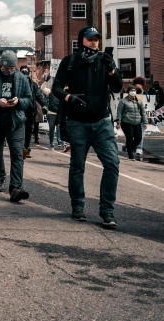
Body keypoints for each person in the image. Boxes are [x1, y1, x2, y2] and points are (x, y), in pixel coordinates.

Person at [53, 26, 123, 227]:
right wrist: (69, 97)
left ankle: (107, 211)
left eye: (97, 39)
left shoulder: (105, 61)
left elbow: (118, 87)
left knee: (112, 163)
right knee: (77, 167)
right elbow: (57, 87)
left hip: (102, 122)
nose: (94, 42)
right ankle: (78, 206)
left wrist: (111, 71)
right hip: (77, 123)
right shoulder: (70, 62)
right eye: (90, 38)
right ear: (82, 39)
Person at [0, 50, 33, 201]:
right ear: (0, 65)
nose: (8, 72)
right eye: (5, 69)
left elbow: (29, 99)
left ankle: (16, 187)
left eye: (12, 69)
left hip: (15, 121)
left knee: (17, 154)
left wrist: (18, 102)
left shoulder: (22, 78)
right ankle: (0, 178)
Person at [20, 65, 47, 158]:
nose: (24, 73)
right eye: (23, 71)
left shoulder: (33, 84)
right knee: (21, 130)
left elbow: (39, 95)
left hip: (30, 111)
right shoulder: (17, 83)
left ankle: (26, 148)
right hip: (20, 110)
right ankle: (22, 148)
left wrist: (44, 104)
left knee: (28, 130)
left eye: (26, 71)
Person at [116, 84, 147, 161]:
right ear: (128, 92)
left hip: (137, 122)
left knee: (138, 138)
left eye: (134, 91)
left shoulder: (138, 101)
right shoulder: (123, 101)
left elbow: (143, 112)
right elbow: (119, 112)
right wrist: (118, 122)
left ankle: (129, 148)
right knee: (129, 137)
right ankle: (130, 155)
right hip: (126, 122)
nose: (133, 92)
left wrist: (145, 122)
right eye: (131, 91)